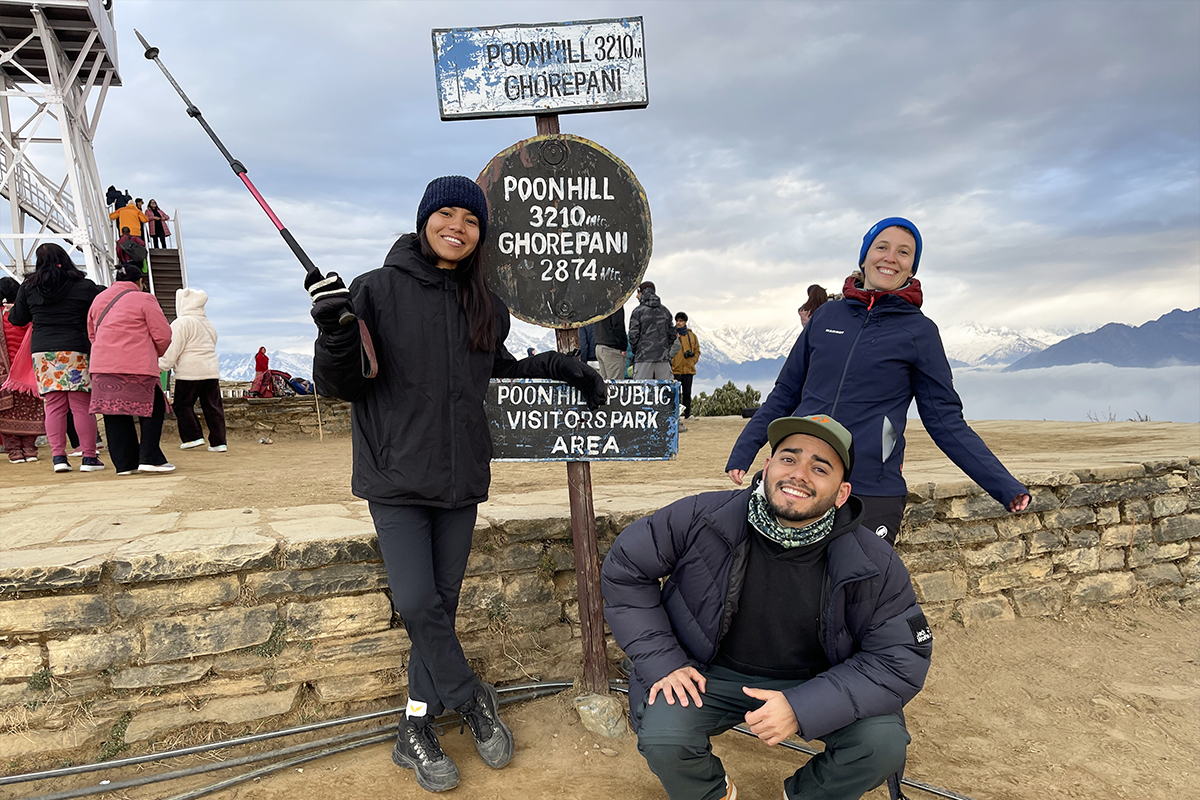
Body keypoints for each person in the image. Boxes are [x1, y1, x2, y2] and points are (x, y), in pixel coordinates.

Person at [309, 175, 606, 793]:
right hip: (395, 477)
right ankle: (471, 700)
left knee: (437, 609)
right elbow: (344, 384)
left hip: (461, 478)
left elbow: (494, 367)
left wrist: (559, 366)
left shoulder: (485, 303)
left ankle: (414, 727)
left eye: (470, 220)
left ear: (480, 232)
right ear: (424, 221)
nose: (458, 227)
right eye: (445, 214)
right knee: (418, 602)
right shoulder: (374, 290)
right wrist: (334, 330)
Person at [603, 415, 932, 800]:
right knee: (664, 737)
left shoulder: (873, 559)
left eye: (819, 467)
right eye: (788, 459)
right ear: (767, 468)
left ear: (842, 493)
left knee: (882, 745)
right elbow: (626, 568)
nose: (799, 474)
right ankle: (715, 794)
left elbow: (900, 656)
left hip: (817, 682)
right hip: (709, 675)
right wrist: (665, 661)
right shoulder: (701, 517)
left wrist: (802, 706)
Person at [726, 218, 1030, 545]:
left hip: (870, 489)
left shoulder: (920, 333)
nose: (890, 257)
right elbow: (786, 392)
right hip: (801, 477)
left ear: (912, 267)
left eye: (903, 252)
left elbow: (945, 420)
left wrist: (1003, 485)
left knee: (859, 592)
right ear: (864, 256)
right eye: (881, 247)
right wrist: (744, 450)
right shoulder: (827, 316)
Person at [7, 244, 103, 473]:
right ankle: (89, 458)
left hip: (43, 352)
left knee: (54, 405)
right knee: (81, 406)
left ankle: (59, 458)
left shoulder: (29, 286)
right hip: (76, 349)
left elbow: (17, 319)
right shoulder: (84, 286)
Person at [87, 262, 174, 475]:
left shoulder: (99, 299)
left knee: (114, 411)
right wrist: (154, 353)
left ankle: (125, 464)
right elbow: (163, 335)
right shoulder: (145, 299)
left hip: (103, 366)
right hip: (137, 365)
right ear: (140, 282)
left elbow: (92, 334)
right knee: (153, 408)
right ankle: (150, 457)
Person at [158, 287, 227, 453]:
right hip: (211, 370)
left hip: (190, 372)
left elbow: (173, 348)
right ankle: (219, 442)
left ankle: (192, 437)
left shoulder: (181, 323)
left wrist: (162, 365)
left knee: (183, 405)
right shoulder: (207, 323)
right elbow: (213, 342)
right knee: (212, 407)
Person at [0, 276, 45, 463]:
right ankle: (29, 448)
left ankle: (14, 451)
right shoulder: (27, 315)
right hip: (27, 373)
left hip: (5, 374)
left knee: (6, 411)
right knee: (31, 409)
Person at [628, 281, 674, 380]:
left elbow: (633, 336)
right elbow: (672, 335)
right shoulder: (666, 311)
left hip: (643, 359)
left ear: (643, 292)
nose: (637, 296)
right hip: (663, 359)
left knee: (641, 391)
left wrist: (637, 350)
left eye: (638, 293)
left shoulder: (637, 312)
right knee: (666, 391)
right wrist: (665, 349)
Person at [668, 311, 700, 419]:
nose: (678, 323)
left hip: (688, 369)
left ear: (685, 322)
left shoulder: (692, 336)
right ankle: (675, 415)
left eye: (681, 321)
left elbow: (697, 351)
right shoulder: (672, 335)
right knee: (676, 394)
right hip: (675, 369)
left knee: (687, 394)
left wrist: (692, 361)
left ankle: (687, 414)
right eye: (677, 321)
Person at [593, 308, 628, 380]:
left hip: (599, 345)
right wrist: (623, 346)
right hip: (612, 348)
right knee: (615, 385)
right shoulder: (616, 305)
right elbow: (618, 326)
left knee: (603, 383)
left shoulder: (598, 304)